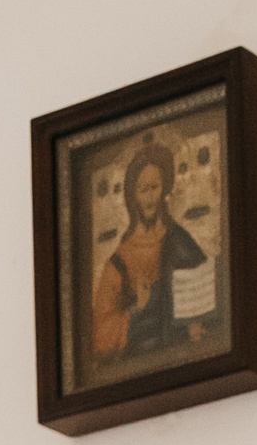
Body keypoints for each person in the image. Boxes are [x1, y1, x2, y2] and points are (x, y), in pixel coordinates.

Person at [89, 135, 209, 363]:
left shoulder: (180, 240)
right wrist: (137, 309)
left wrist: (198, 325)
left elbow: (204, 294)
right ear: (132, 196)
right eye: (142, 189)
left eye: (154, 187)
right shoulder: (119, 262)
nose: (149, 197)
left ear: (164, 188)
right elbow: (99, 335)